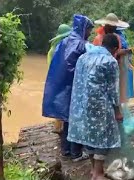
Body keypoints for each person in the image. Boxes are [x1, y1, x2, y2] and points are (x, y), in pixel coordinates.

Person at [67, 34, 121, 180]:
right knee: (104, 136)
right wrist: (117, 111)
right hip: (100, 105)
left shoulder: (82, 58)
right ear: (115, 49)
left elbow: (77, 82)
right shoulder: (110, 61)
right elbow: (113, 89)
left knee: (89, 135)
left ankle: (93, 169)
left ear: (102, 43)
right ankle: (98, 173)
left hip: (82, 103)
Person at [42, 14, 94, 161]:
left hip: (61, 86)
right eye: (89, 29)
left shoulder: (64, 42)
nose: (90, 33)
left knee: (66, 118)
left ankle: (65, 150)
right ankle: (76, 153)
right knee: (76, 120)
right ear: (84, 28)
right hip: (75, 87)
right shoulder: (81, 44)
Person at [46, 24, 72, 134]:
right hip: (58, 79)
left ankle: (59, 127)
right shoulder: (57, 50)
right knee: (61, 104)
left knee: (59, 103)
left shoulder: (55, 48)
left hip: (55, 79)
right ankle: (59, 128)